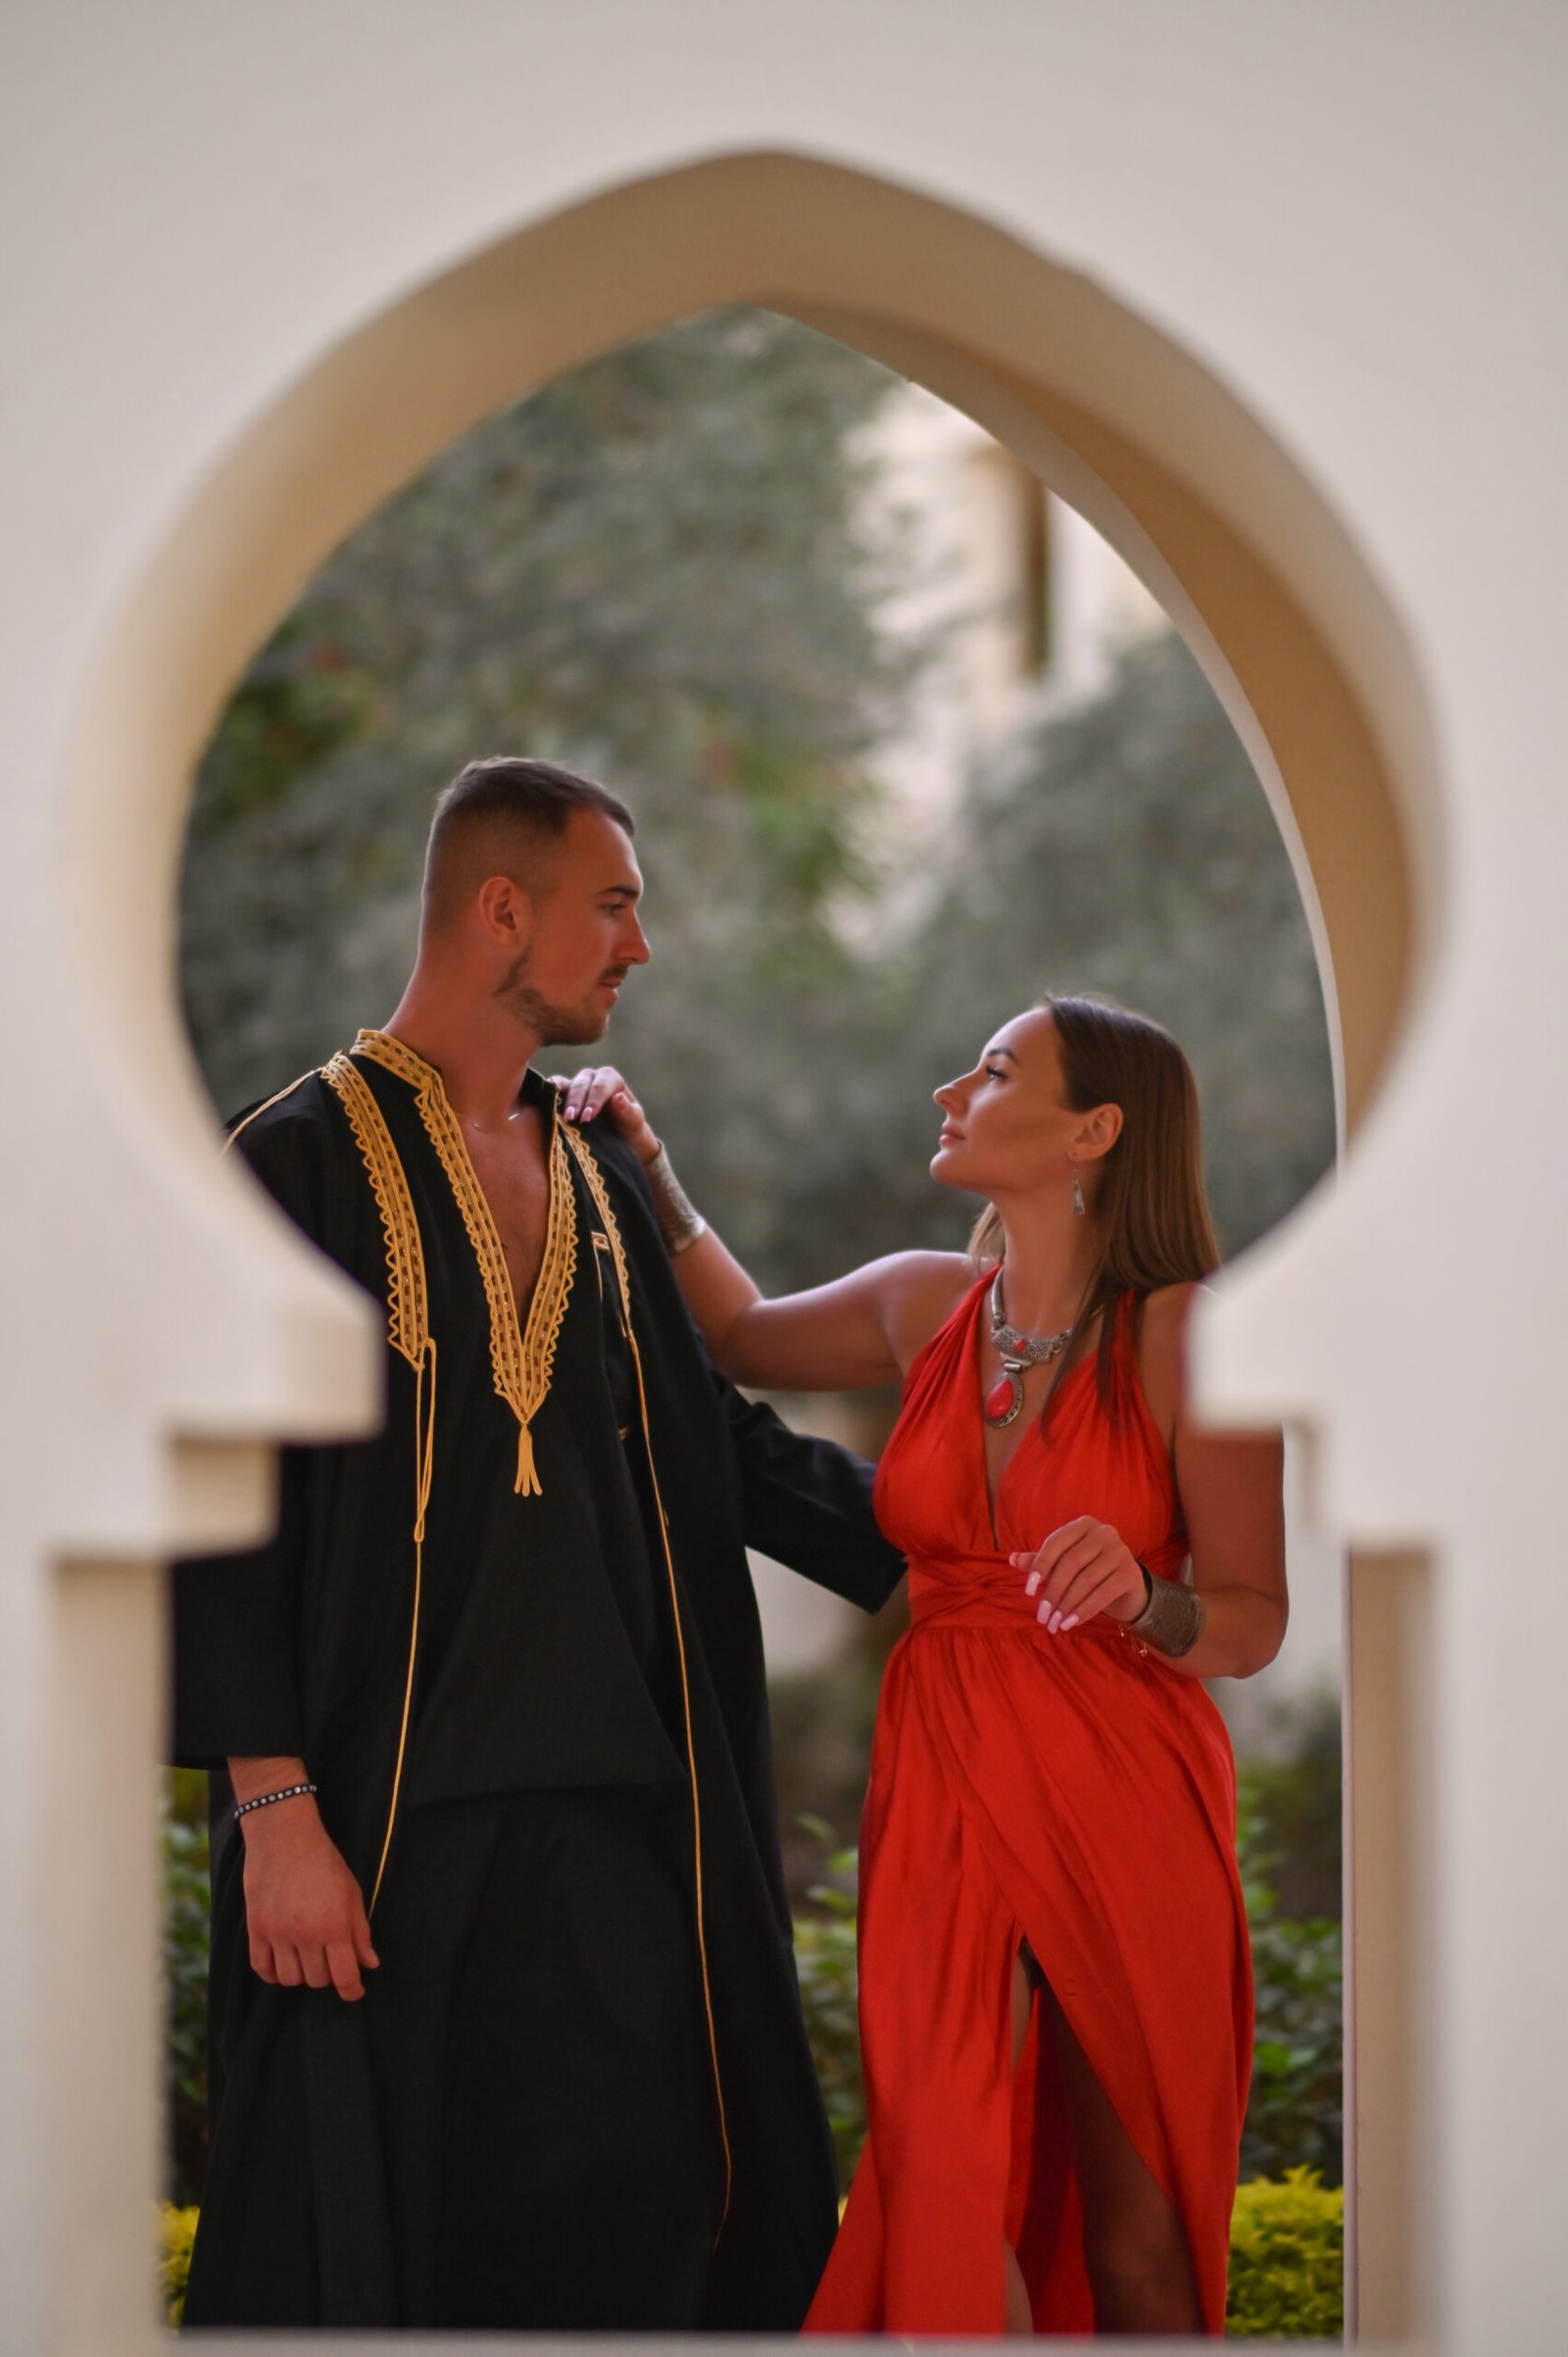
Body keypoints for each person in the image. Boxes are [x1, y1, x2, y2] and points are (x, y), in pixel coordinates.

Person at [170, 757, 906, 2332]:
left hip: (620, 1850)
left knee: (628, 2265)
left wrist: (966, 1553)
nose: (639, 947)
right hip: (375, 1843)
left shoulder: (600, 1181)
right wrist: (273, 1808)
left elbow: (727, 1454)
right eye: (616, 904)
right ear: (503, 909)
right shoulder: (294, 1160)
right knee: (368, 2257)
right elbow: (219, 1508)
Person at [562, 996, 1286, 2336]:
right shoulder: (924, 1302)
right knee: (942, 2169)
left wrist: (1148, 1597)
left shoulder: (1190, 1331)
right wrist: (651, 1170)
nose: (954, 1085)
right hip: (945, 1767)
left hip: (1123, 1779)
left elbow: (1250, 1617)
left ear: (1096, 1128)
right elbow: (743, 1336)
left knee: (1135, 2243)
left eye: (998, 1068)